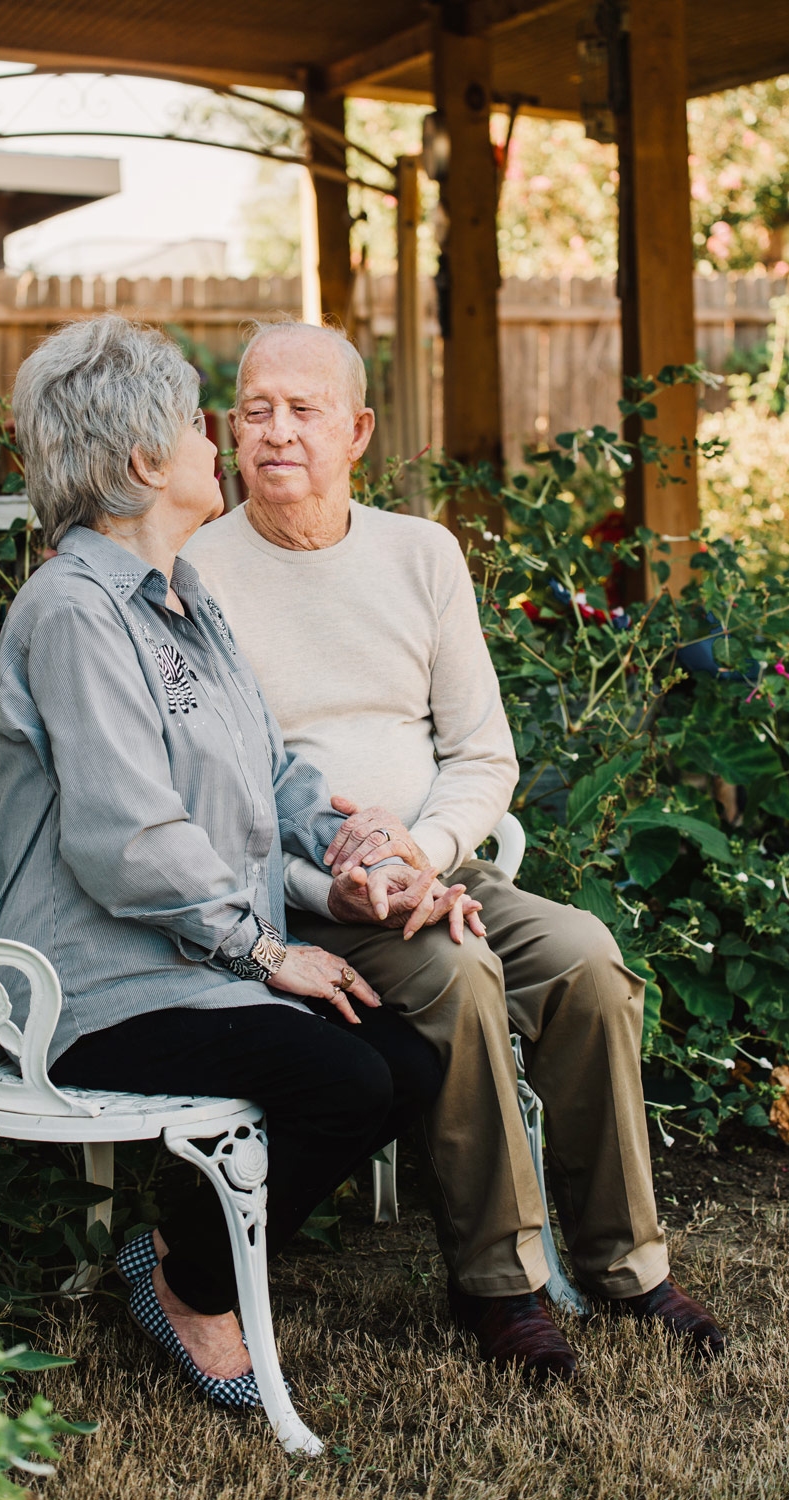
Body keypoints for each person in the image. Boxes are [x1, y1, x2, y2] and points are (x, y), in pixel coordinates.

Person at [183, 319, 726, 1381]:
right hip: (296, 892)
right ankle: (498, 1286)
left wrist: (424, 858)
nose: (276, 432)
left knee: (586, 963)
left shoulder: (417, 555)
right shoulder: (199, 574)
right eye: (255, 410)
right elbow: (213, 799)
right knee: (459, 978)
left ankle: (626, 1265)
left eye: (304, 411)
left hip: (437, 869)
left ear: (357, 432)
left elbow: (483, 754)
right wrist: (335, 886)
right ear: (228, 429)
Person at [0, 315, 444, 1409]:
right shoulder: (74, 612)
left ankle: (171, 1259)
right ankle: (190, 1284)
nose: (218, 436)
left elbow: (265, 765)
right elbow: (127, 840)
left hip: (181, 968)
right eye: (199, 419)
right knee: (340, 1078)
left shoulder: (184, 596)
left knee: (403, 1068)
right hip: (88, 987)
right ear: (143, 463)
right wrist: (265, 952)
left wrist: (349, 845)